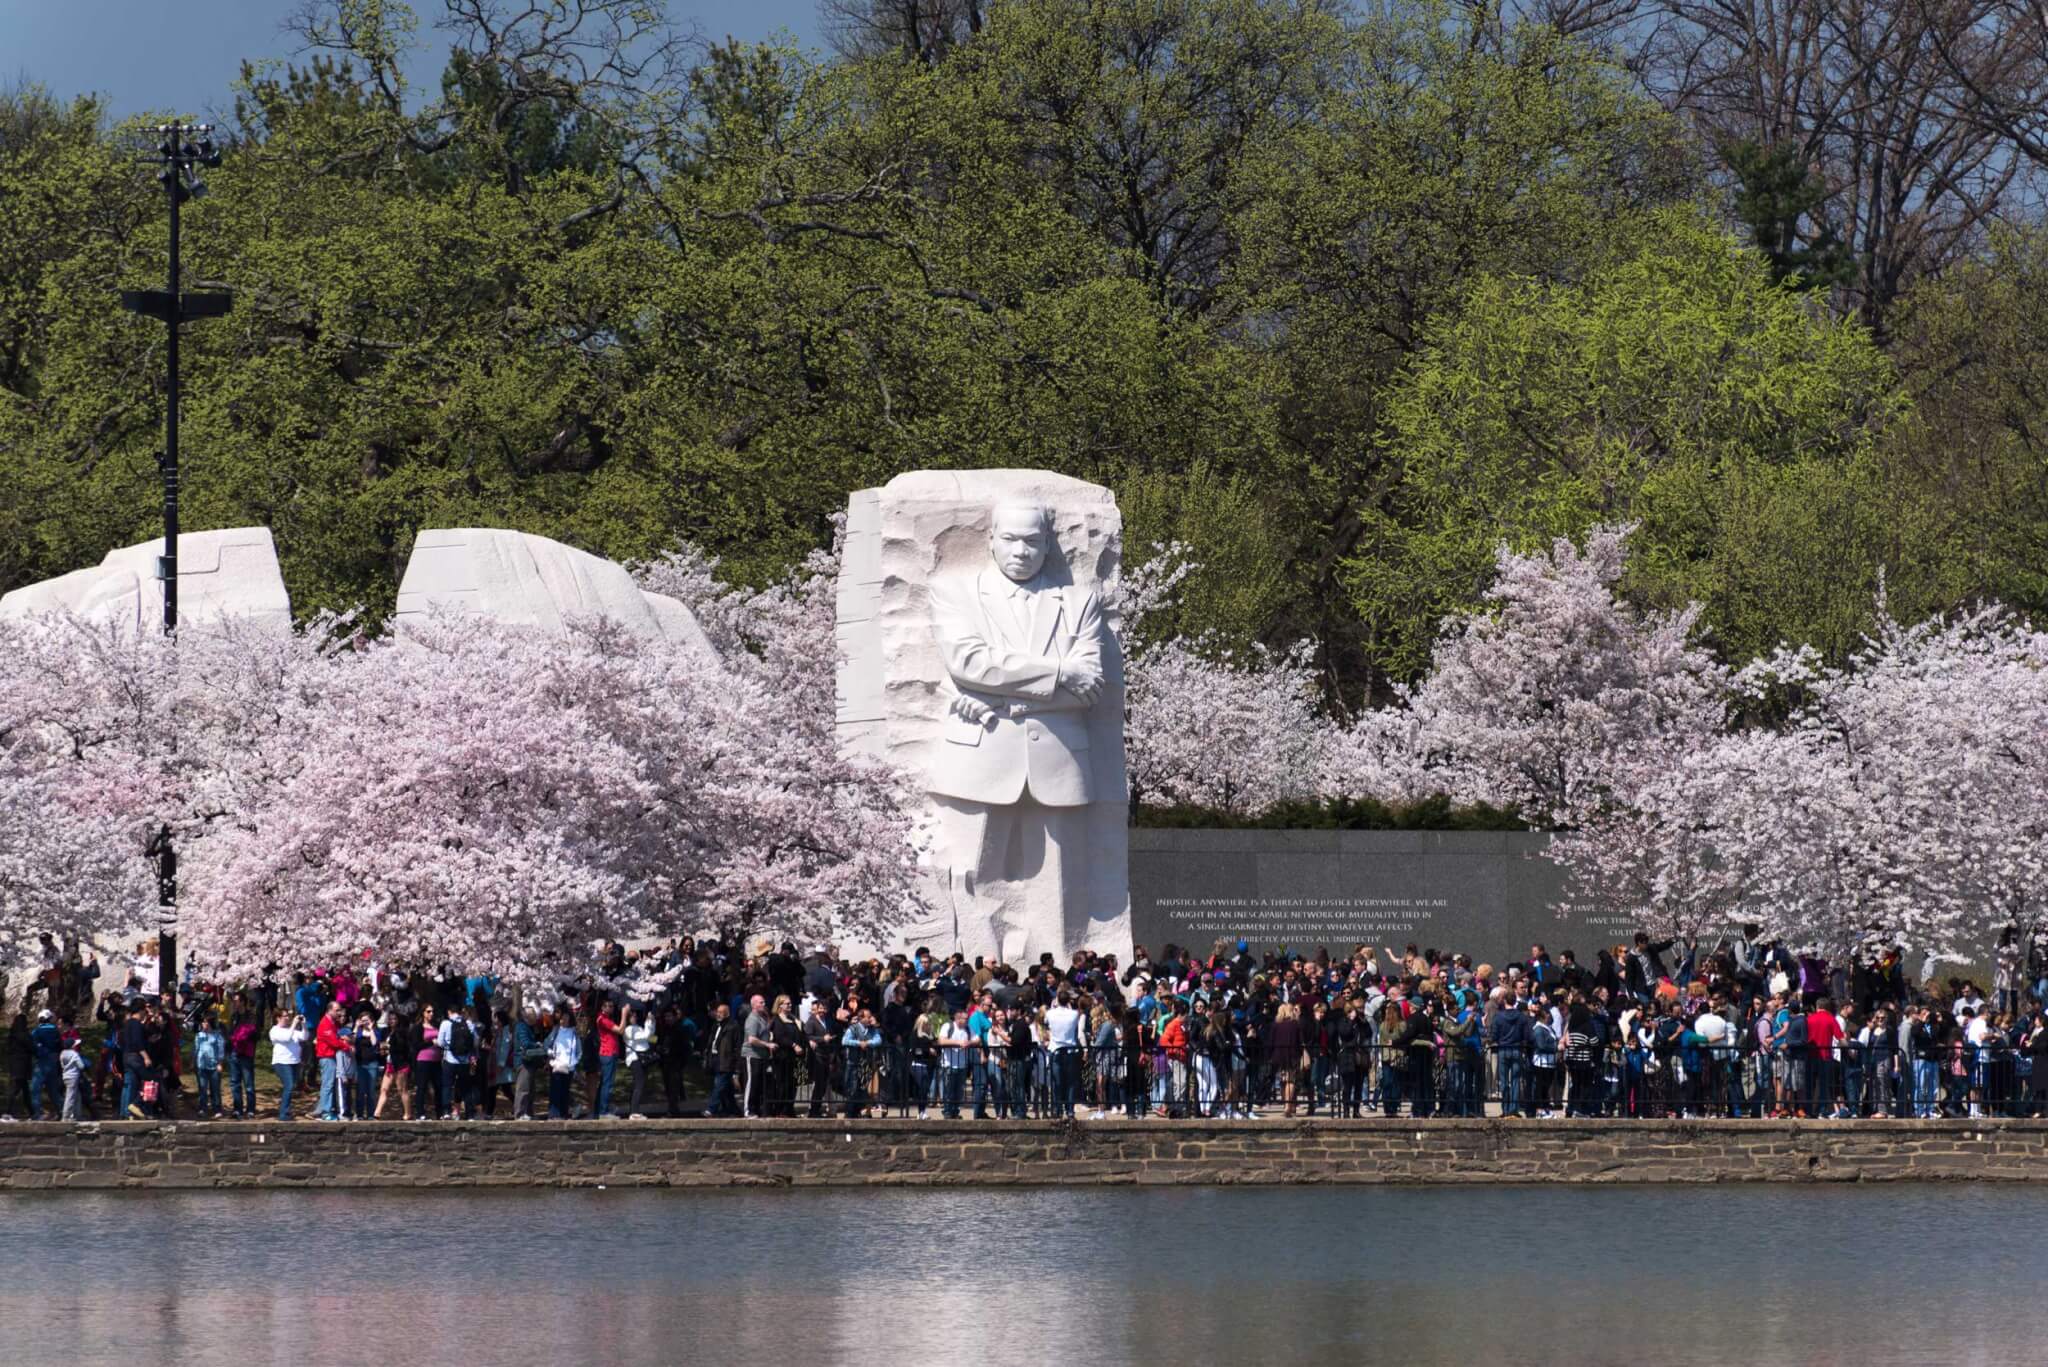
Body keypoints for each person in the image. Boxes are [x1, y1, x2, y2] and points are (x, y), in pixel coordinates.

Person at [269, 1013, 308, 1121]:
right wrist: (294, 1024)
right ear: (278, 1017)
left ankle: (286, 1110)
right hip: (281, 1062)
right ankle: (283, 1113)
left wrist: (303, 1025)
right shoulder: (274, 1030)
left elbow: (305, 1037)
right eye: (285, 1016)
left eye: (288, 1016)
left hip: (294, 1062)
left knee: (291, 1087)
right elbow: (286, 1038)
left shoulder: (292, 1030)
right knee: (289, 1086)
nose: (288, 1018)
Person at [741, 995, 773, 1118]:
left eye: (764, 1002)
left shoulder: (761, 1018)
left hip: (761, 1056)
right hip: (751, 1055)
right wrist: (767, 1044)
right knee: (751, 1082)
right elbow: (752, 1039)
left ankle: (756, 1108)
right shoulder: (752, 1019)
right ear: (753, 1004)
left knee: (758, 1083)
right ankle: (748, 1110)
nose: (764, 1004)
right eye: (761, 1002)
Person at [546, 1009, 582, 1119]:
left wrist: (575, 1063)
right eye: (562, 1017)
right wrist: (550, 1053)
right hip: (556, 1064)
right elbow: (547, 1044)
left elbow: (578, 1050)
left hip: (569, 1066)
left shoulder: (574, 1032)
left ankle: (563, 1113)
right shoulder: (556, 1030)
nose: (564, 1020)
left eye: (566, 1017)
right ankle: (554, 1114)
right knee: (555, 1090)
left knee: (565, 1091)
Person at [622, 1005, 656, 1120]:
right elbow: (646, 1036)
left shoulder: (638, 1027)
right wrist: (648, 1022)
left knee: (639, 1084)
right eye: (631, 1016)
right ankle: (634, 1112)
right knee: (639, 1084)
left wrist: (651, 1022)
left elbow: (650, 1036)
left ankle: (634, 1111)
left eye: (635, 1016)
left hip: (642, 1058)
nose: (634, 1017)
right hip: (635, 1059)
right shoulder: (628, 1029)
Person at [227, 1011, 259, 1119]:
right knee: (235, 1083)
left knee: (249, 1084)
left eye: (237, 1001)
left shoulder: (251, 1019)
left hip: (246, 1055)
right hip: (234, 1053)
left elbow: (255, 1037)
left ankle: (250, 1109)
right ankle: (237, 1109)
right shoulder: (233, 1016)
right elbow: (229, 1035)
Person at [192, 1015, 225, 1119]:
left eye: (205, 1022)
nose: (203, 1024)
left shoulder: (217, 1036)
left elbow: (221, 1051)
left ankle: (217, 1109)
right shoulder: (199, 1036)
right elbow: (196, 1050)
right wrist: (192, 1062)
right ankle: (203, 1108)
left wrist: (220, 1063)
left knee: (215, 1088)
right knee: (202, 1088)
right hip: (201, 1065)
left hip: (214, 1065)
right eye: (202, 1022)